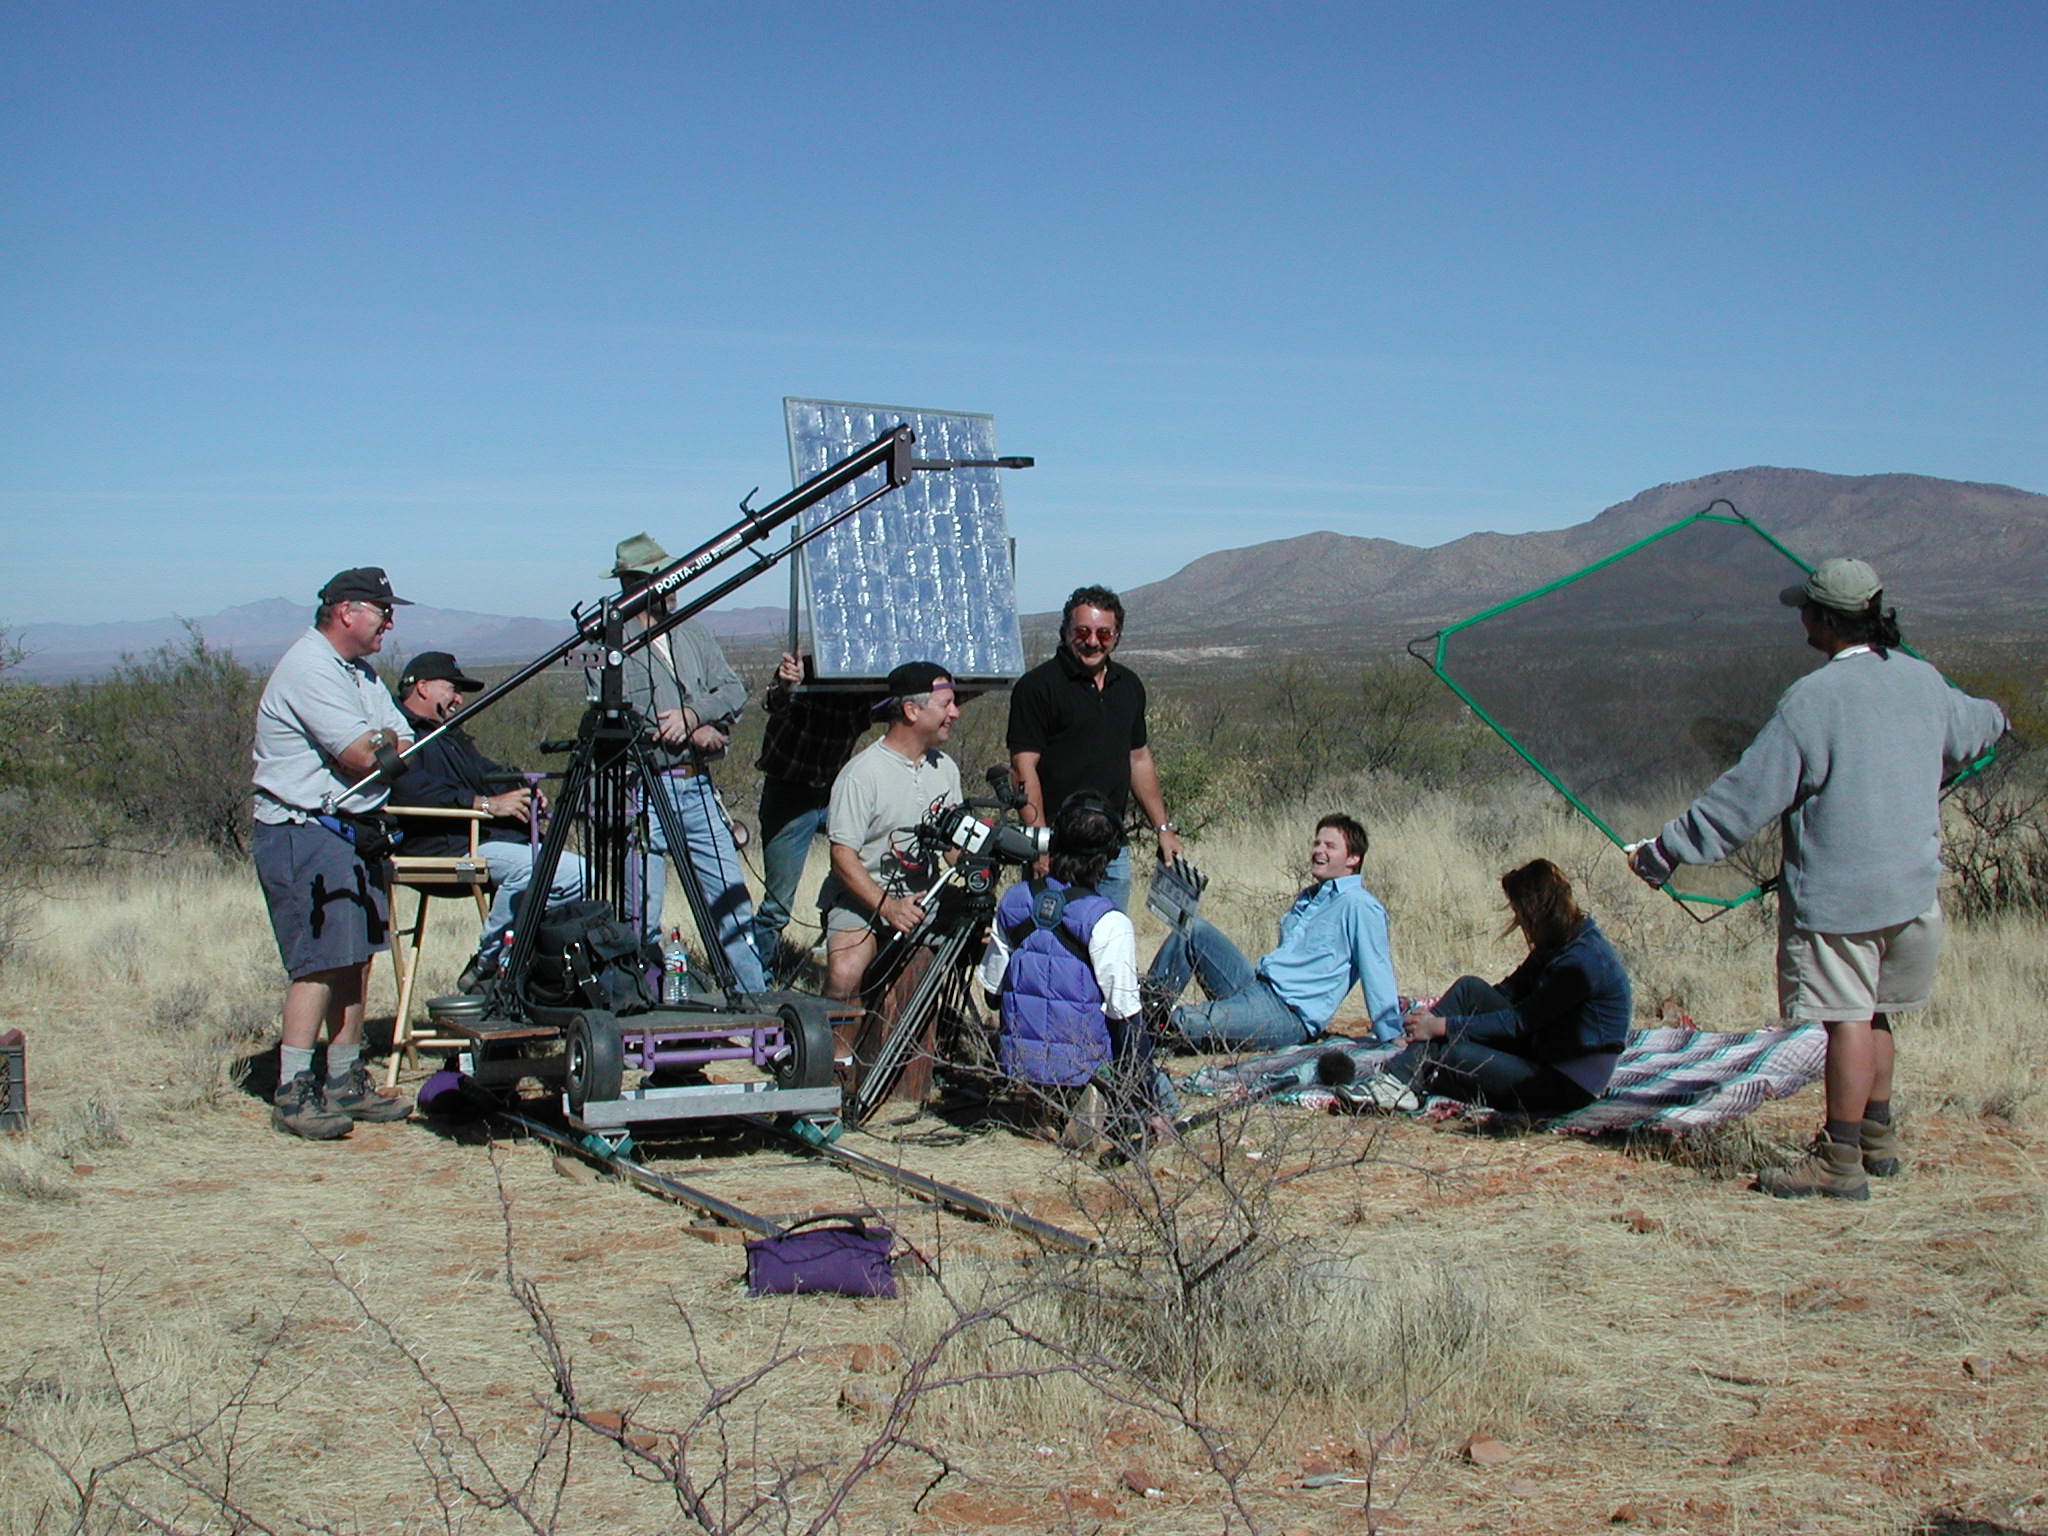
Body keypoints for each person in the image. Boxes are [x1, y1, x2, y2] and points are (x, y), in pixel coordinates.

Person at [1627, 557, 2006, 1200]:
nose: (1798, 617)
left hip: (1840, 901)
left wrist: (1665, 852)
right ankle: (1876, 1141)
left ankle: (1839, 1162)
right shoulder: (1923, 681)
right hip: (1913, 894)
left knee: (1847, 1022)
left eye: (1805, 609)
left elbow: (1743, 799)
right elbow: (1986, 724)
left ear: (1827, 620)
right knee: (1877, 1013)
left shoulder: (1812, 700)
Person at [250, 567, 418, 1139]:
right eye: (381, 611)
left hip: (353, 828)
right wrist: (383, 745)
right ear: (347, 611)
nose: (389, 622)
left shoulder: (360, 674)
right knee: (319, 957)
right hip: (303, 828)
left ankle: (344, 1077)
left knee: (356, 952)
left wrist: (385, 744)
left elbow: (401, 740)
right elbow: (360, 754)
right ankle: (293, 1087)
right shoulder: (310, 667)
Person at [608, 533, 766, 996]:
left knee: (732, 901)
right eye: (664, 578)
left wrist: (694, 716)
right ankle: (641, 1003)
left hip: (696, 788)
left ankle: (755, 999)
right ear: (636, 583)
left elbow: (733, 691)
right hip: (642, 790)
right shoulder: (610, 640)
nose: (675, 586)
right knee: (640, 909)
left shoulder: (692, 631)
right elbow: (614, 716)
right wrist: (679, 730)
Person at [1355, 859, 1631, 1118]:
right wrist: (1432, 1023)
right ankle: (1405, 1071)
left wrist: (1442, 1026)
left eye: (1520, 913)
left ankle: (1402, 1076)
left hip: (1566, 1083)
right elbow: (1505, 994)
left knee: (1455, 1053)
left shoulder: (1583, 963)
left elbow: (1520, 1021)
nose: (1519, 922)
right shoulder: (1559, 944)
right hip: (1544, 1048)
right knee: (1468, 990)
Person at [386, 651, 586, 991]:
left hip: (483, 841)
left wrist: (522, 790)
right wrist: (485, 804)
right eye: (452, 688)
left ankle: (516, 970)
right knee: (561, 872)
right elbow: (407, 790)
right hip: (440, 847)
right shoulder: (396, 732)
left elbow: (486, 771)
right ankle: (489, 964)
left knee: (577, 875)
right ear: (422, 687)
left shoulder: (448, 736)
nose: (459, 699)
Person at [1144, 814, 1403, 1051]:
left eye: (1329, 847)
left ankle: (1140, 1034)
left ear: (1353, 858)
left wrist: (1391, 1035)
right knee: (1193, 929)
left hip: (1286, 1014)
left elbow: (1376, 969)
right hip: (1256, 986)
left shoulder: (1360, 906)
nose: (1318, 851)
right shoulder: (1308, 897)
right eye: (1317, 844)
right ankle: (1140, 1009)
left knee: (1184, 1021)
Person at [1007, 585, 1181, 909]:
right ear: (1065, 631)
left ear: (1117, 636)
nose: (1092, 642)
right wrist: (1039, 846)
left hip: (1112, 850)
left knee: (1106, 946)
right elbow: (1022, 768)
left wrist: (1163, 828)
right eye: (1083, 632)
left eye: (1104, 634)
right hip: (1057, 848)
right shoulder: (1037, 687)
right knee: (1052, 948)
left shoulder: (1128, 685)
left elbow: (1138, 758)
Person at [819, 661, 964, 1002]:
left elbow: (953, 848)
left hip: (926, 901)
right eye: (946, 705)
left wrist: (980, 860)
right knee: (845, 974)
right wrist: (887, 907)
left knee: (995, 935)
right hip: (862, 900)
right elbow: (842, 857)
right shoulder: (861, 774)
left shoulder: (945, 769)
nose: (955, 713)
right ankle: (838, 1054)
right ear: (912, 710)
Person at [978, 791, 1142, 1092]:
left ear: (1051, 841)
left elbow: (991, 994)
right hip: (1083, 1075)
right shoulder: (1108, 921)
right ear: (1109, 855)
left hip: (1017, 1069)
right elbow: (1126, 1017)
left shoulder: (1014, 900)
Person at [750, 649, 881, 966]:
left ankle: (841, 945)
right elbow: (775, 703)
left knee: (857, 874)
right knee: (778, 903)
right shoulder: (806, 670)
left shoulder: (872, 679)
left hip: (834, 793)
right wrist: (785, 684)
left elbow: (916, 706)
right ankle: (755, 979)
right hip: (789, 795)